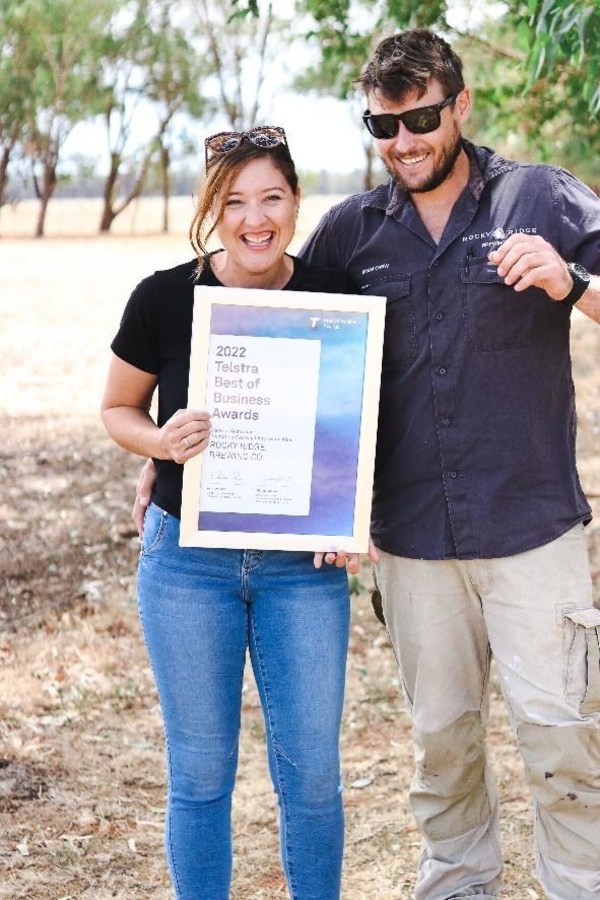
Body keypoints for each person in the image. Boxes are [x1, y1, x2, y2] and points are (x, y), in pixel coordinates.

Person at [299, 28, 600, 900]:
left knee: (563, 737)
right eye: (383, 127)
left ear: (459, 106)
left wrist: (570, 285)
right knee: (442, 740)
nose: (404, 143)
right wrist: (178, 460)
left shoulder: (539, 197)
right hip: (413, 540)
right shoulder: (349, 232)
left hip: (532, 530)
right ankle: (459, 885)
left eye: (420, 119)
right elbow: (286, 357)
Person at [101, 126, 361, 900]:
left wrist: (346, 513)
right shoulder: (162, 296)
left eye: (271, 198)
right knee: (202, 771)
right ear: (212, 208)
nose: (256, 218)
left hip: (303, 569)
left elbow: (357, 431)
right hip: (187, 561)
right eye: (235, 200)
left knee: (312, 775)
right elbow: (118, 409)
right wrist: (161, 442)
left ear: (294, 203)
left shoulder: (338, 300)